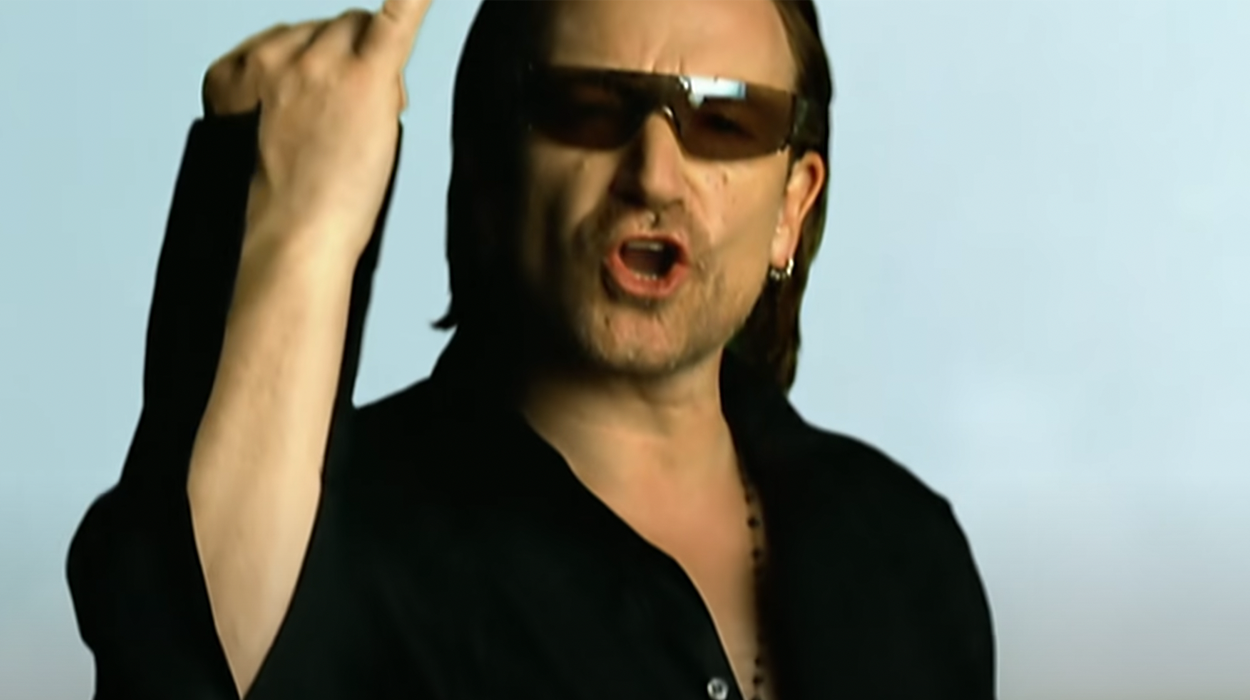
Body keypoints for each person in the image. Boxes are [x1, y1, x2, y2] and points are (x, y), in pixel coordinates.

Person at [67, 0, 996, 698]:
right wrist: (297, 223)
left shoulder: (906, 549)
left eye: (723, 122)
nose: (654, 175)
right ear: (490, 172)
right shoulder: (333, 537)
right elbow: (175, 654)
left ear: (792, 207)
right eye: (588, 107)